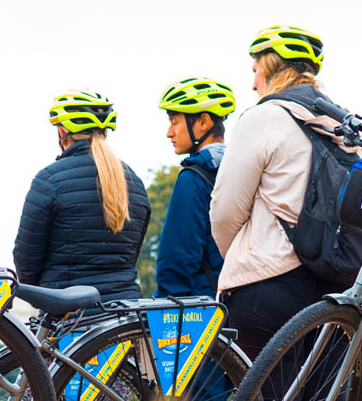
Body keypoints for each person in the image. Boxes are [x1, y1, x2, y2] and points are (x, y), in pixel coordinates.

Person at [209, 24, 358, 401]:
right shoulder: (346, 127)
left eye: (255, 69)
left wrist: (242, 253)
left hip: (266, 286)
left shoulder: (264, 118)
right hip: (335, 287)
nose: (251, 82)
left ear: (272, 68)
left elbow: (225, 211)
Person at [13, 91, 150, 301]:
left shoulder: (49, 179)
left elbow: (26, 262)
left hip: (69, 314)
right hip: (126, 313)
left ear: (62, 131)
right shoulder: (134, 182)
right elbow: (131, 255)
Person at [154, 77, 235, 298]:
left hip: (202, 308)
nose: (169, 132)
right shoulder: (239, 169)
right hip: (238, 301)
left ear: (203, 122)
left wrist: (166, 305)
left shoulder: (194, 177)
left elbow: (177, 257)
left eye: (175, 121)